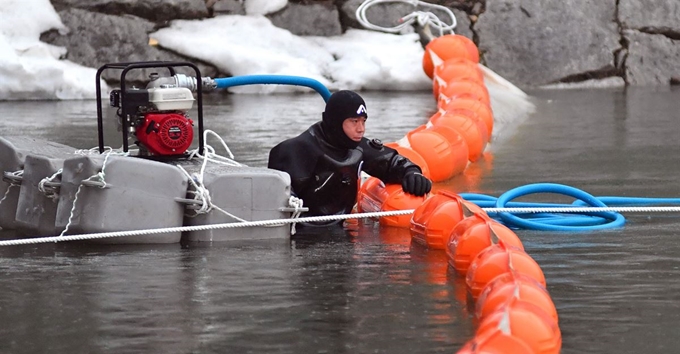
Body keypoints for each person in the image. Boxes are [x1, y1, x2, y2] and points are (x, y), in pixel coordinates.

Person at [268, 90, 432, 226]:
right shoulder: (296, 151)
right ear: (335, 122)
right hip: (300, 237)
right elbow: (274, 205)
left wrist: (412, 173)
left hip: (340, 231)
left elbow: (391, 162)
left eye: (363, 121)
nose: (361, 129)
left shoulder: (358, 148)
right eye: (354, 121)